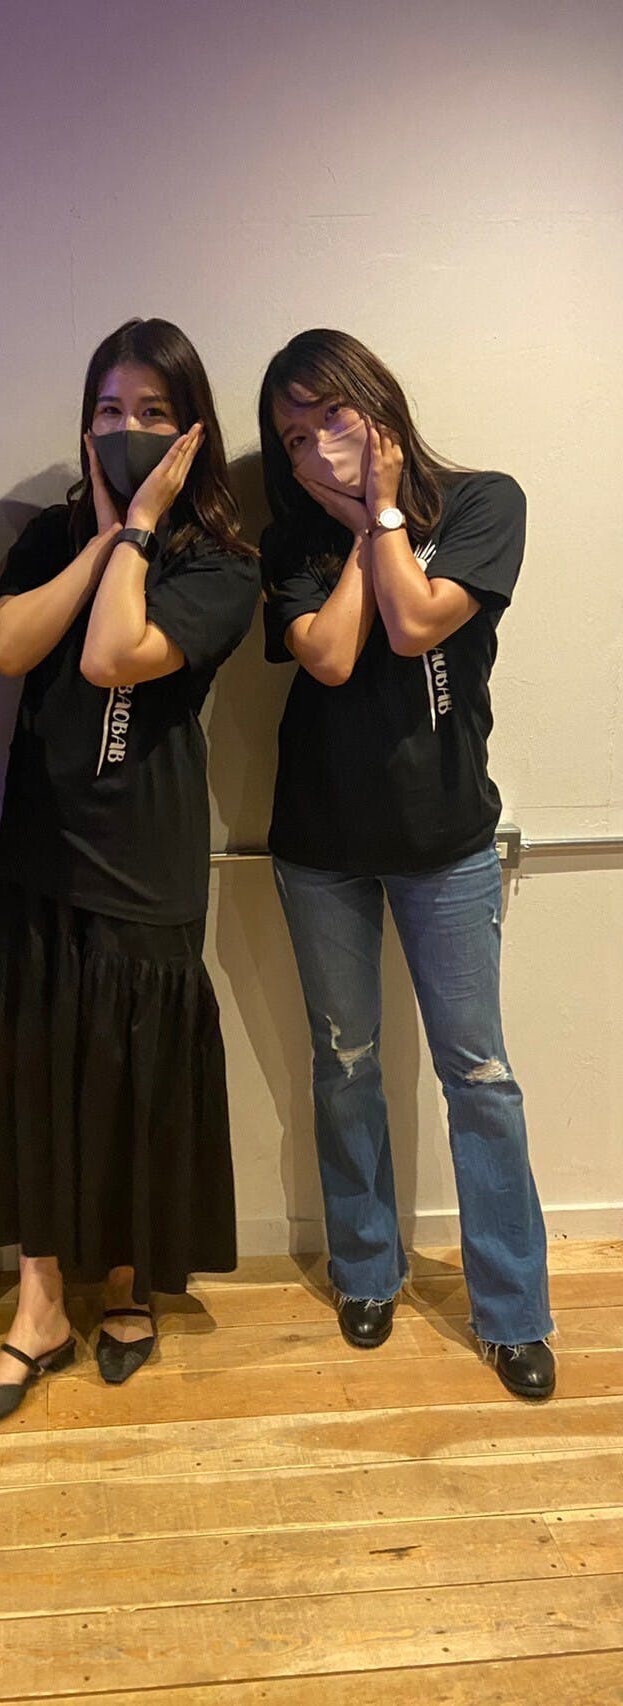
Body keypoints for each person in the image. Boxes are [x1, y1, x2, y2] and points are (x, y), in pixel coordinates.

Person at [0, 317, 259, 1433]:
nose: (128, 428)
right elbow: (9, 648)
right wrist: (100, 537)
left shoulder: (221, 563)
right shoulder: (48, 533)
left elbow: (113, 654)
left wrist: (141, 530)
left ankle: (129, 1282)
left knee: (137, 1078)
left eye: (153, 413)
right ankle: (39, 1309)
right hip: (44, 844)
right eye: (110, 410)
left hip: (149, 855)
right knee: (36, 1074)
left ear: (192, 432)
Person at [258, 328, 554, 1401]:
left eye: (331, 415)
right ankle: (367, 1269)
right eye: (294, 436)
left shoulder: (483, 503)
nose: (317, 444)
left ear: (377, 401)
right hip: (321, 844)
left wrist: (385, 511)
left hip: (449, 842)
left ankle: (513, 1310)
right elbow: (334, 655)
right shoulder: (289, 543)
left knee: (480, 1075)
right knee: (345, 1065)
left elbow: (420, 623)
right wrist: (354, 525)